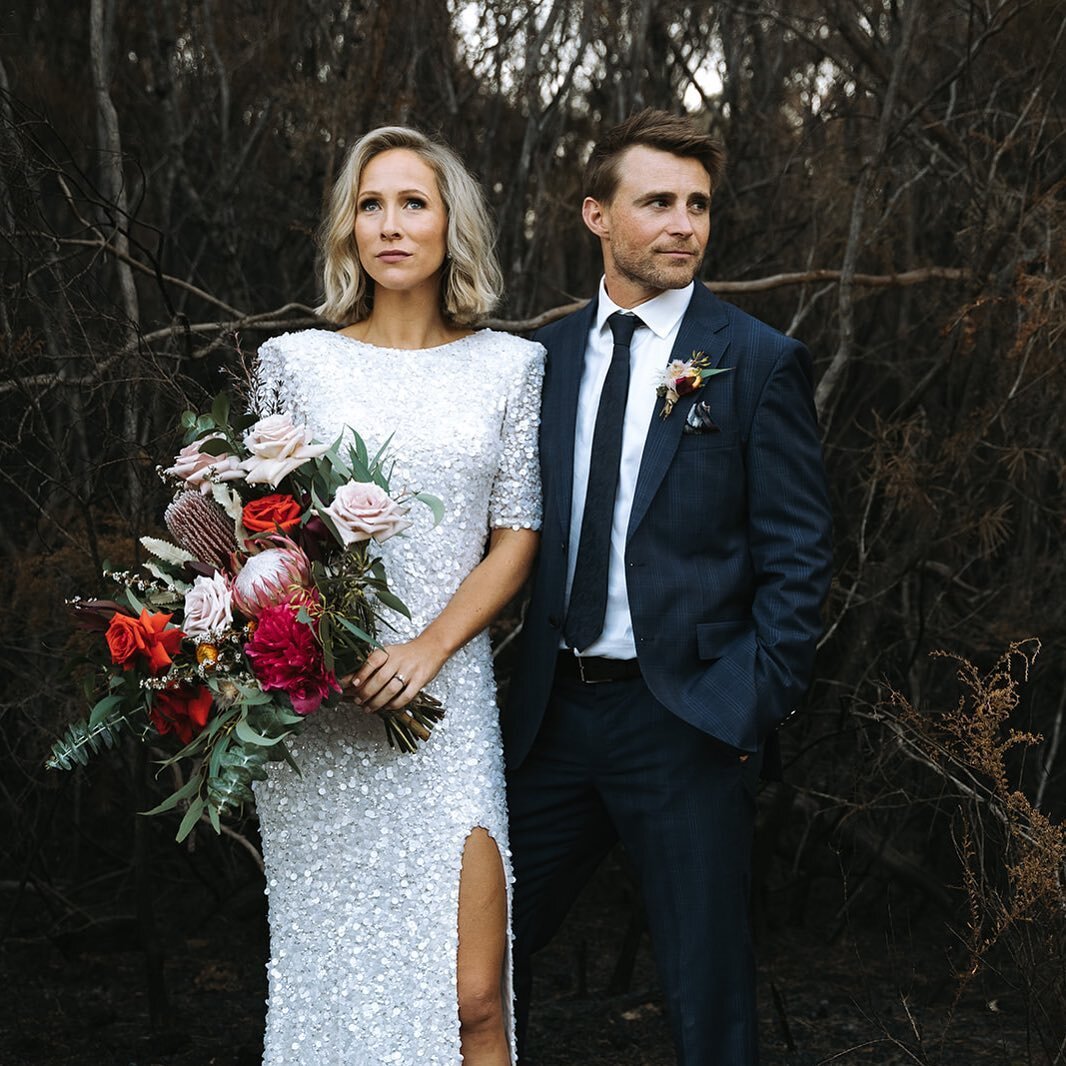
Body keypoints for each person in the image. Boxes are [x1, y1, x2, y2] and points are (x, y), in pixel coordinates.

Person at [505, 108, 833, 1064]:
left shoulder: (756, 362)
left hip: (687, 721)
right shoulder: (544, 361)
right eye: (658, 202)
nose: (685, 223)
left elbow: (797, 554)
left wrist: (743, 706)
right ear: (596, 215)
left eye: (698, 204)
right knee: (472, 952)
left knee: (708, 996)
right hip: (552, 719)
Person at [250, 126, 544, 1065]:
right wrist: (315, 649)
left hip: (446, 709)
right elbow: (263, 528)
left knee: (474, 997)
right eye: (370, 205)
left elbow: (518, 535)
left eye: (413, 203)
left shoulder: (512, 367)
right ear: (349, 229)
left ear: (451, 222)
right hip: (324, 718)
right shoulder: (296, 362)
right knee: (336, 996)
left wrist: (429, 648)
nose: (390, 224)